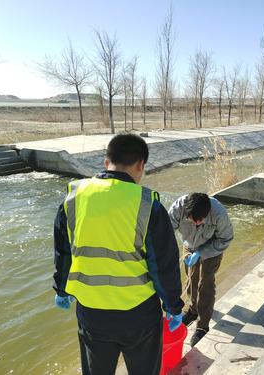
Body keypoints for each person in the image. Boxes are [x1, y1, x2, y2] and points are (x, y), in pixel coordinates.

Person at [52, 133, 184, 375]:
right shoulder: (147, 205)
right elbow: (164, 266)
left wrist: (61, 290)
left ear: (106, 163)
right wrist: (173, 306)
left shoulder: (72, 199)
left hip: (91, 313)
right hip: (139, 314)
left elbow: (63, 254)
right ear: (141, 165)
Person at [168, 193, 233, 347]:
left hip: (213, 247)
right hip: (189, 245)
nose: (197, 223)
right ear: (186, 212)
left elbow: (226, 238)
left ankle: (203, 325)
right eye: (192, 220)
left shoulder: (218, 213)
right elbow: (165, 232)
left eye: (200, 221)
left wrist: (202, 252)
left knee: (206, 284)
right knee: (191, 279)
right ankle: (193, 310)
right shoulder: (178, 208)